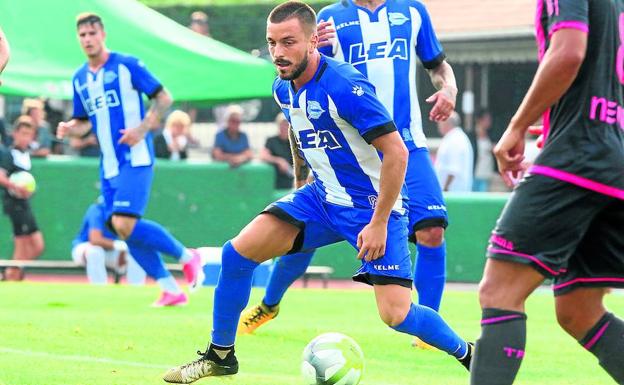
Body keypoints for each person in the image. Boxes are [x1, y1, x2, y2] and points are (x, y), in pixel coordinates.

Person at [163, 3, 471, 383]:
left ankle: (470, 354)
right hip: (321, 199)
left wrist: (378, 223)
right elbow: (298, 132)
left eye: (288, 42)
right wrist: (298, 189)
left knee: (397, 315)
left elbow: (397, 152)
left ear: (313, 42)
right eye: (272, 42)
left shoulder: (345, 85)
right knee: (236, 256)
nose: (278, 52)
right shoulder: (282, 87)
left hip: (372, 208)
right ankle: (221, 355)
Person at [239, 0, 458, 349]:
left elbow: (438, 65)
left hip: (406, 144)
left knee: (432, 231)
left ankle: (427, 332)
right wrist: (305, 169)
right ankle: (268, 304)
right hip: (342, 149)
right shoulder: (327, 17)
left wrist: (448, 88)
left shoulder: (413, 11)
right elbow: (307, 76)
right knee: (300, 229)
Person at [471, 1, 624, 384]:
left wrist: (517, 126)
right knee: (579, 308)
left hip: (576, 159)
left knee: (499, 291)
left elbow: (569, 51)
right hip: (614, 160)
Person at [56, 13, 203, 307]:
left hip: (135, 158)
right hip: (108, 165)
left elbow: (164, 98)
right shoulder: (80, 78)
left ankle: (188, 256)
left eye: (92, 33)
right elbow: (84, 122)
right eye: (82, 35)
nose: (87, 39)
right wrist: (71, 128)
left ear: (103, 34)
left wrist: (142, 129)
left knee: (124, 222)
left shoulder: (127, 65)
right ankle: (169, 289)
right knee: (124, 229)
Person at [0, 116, 44, 281]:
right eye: (23, 133)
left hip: (25, 203)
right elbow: (1, 176)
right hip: (14, 204)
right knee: (22, 243)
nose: (26, 138)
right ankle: (12, 277)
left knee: (38, 246)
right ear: (15, 134)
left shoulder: (25, 155)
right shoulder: (7, 153)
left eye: (29, 134)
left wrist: (30, 190)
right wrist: (17, 187)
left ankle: (10, 274)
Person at [72, 198, 146, 285]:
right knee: (95, 251)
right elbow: (95, 240)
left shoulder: (123, 211)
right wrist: (120, 245)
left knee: (137, 255)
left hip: (108, 251)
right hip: (84, 249)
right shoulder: (97, 209)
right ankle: (99, 290)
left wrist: (124, 251)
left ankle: (136, 291)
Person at [434, 112, 474, 192]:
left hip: (452, 193)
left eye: (439, 122)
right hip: (454, 192)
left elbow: (453, 169)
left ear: (446, 122)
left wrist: (445, 189)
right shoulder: (456, 137)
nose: (438, 126)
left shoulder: (455, 140)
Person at [259, 112, 293, 189]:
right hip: (274, 183)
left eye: (286, 124)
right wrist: (279, 161)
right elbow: (263, 156)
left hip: (291, 183)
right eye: (282, 124)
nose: (284, 127)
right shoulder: (271, 141)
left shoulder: (294, 143)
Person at [473, 109, 495, 192]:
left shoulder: (490, 135)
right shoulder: (472, 137)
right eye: (486, 119)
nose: (489, 122)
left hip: (486, 174)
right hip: (475, 174)